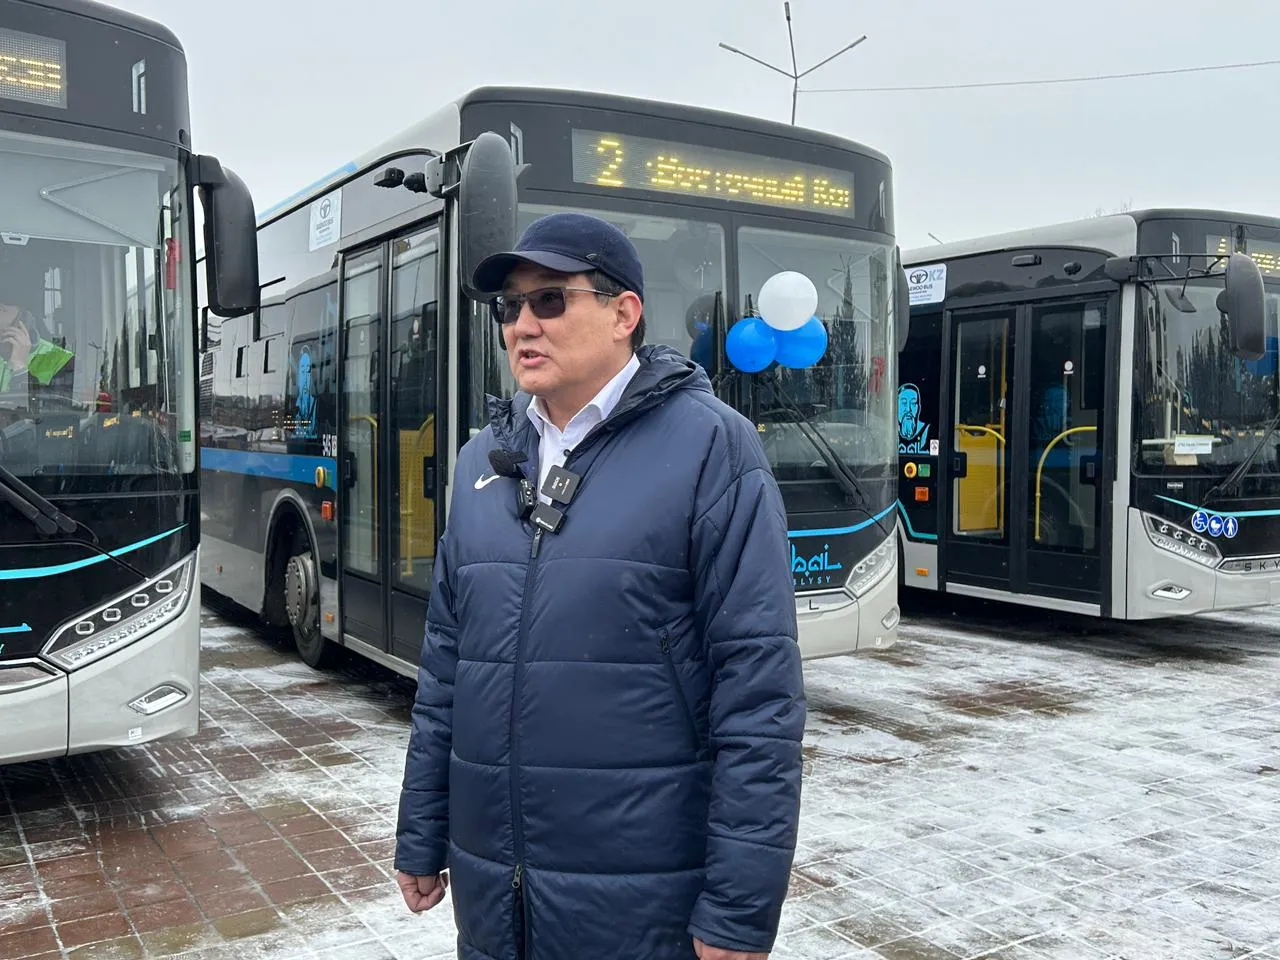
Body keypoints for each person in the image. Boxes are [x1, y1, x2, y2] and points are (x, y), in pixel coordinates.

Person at [394, 212, 806, 960]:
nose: (523, 325)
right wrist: (422, 829)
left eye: (550, 300)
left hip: (639, 900)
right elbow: (448, 666)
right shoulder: (482, 459)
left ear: (624, 314)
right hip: (497, 900)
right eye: (509, 307)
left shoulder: (712, 448)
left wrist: (740, 906)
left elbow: (759, 690)